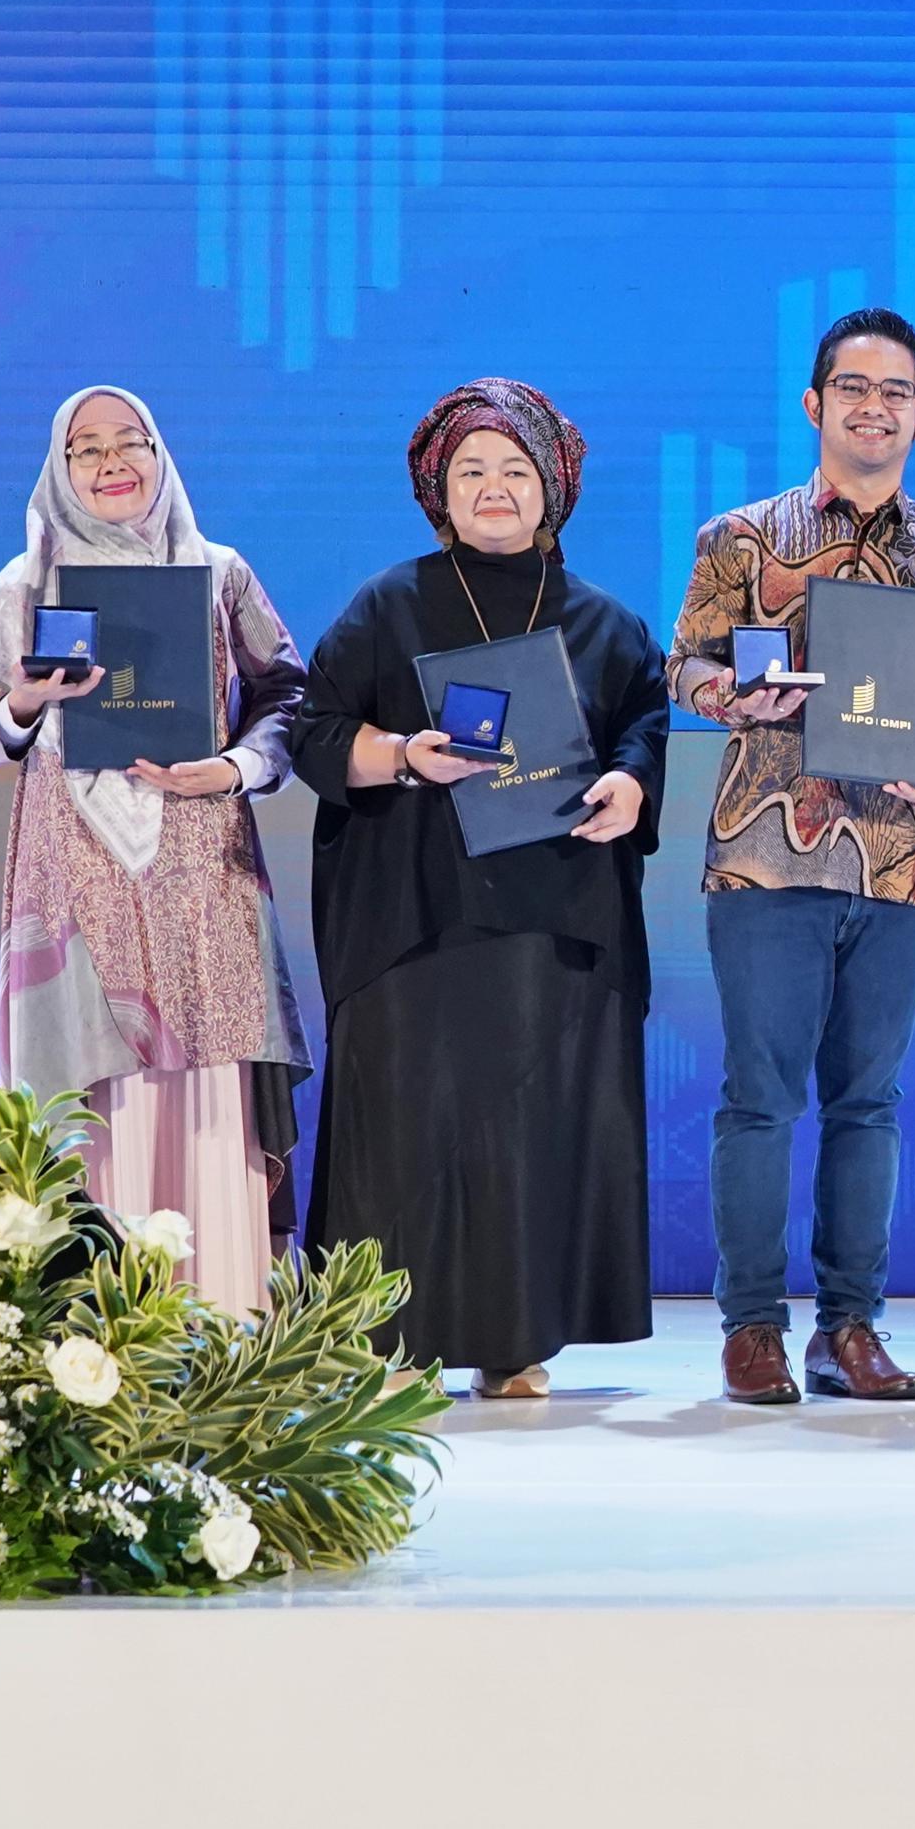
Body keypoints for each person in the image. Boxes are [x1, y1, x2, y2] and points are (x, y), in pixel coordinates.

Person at [289, 379, 667, 1399]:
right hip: (413, 914)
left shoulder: (608, 624)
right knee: (404, 1126)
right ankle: (377, 1344)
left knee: (526, 1130)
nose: (493, 488)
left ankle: (515, 1342)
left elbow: (642, 728)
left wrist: (632, 784)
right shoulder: (387, 605)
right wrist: (401, 754)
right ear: (438, 491)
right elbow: (315, 732)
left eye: (514, 470)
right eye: (471, 471)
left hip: (553, 916)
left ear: (553, 488)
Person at [669, 308, 915, 1406]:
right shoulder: (741, 538)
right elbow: (684, 664)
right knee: (759, 1100)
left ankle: (850, 1328)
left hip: (898, 860)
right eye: (852, 389)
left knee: (869, 1103)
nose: (874, 408)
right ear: (814, 403)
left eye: (895, 392)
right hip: (764, 856)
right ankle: (752, 1329)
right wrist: (735, 694)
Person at [0, 386, 309, 1315]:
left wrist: (232, 767)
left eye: (129, 442)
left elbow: (287, 696)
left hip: (203, 872)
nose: (111, 463)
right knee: (84, 1103)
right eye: (87, 449)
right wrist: (25, 703)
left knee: (209, 1093)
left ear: (160, 452)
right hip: (73, 880)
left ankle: (222, 1319)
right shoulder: (28, 585)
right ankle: (94, 1337)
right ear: (59, 470)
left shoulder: (218, 573)